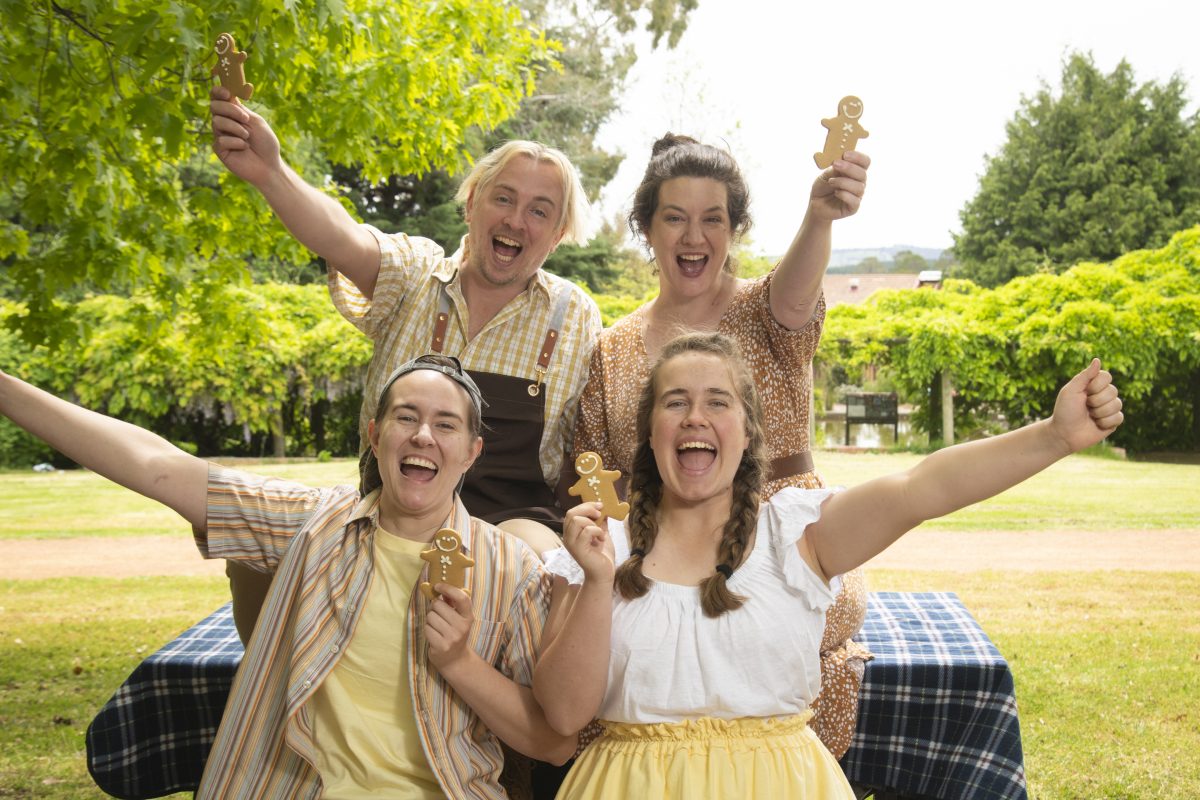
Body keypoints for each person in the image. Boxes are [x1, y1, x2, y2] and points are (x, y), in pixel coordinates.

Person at [536, 332, 1123, 798]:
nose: (696, 416)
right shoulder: (596, 548)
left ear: (746, 432)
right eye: (676, 402)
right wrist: (593, 581)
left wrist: (1054, 435)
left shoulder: (797, 535)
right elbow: (563, 714)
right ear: (650, 431)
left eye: (718, 402)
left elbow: (922, 487)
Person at [0, 356, 576, 799]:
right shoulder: (312, 525)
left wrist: (461, 665)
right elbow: (157, 467)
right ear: (375, 437)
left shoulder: (512, 569)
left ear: (471, 452)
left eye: (445, 424)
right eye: (407, 416)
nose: (424, 435)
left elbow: (554, 742)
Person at [209, 86, 602, 644]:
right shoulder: (415, 275)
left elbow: (591, 441)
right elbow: (342, 236)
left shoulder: (576, 315)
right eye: (503, 198)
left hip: (506, 522)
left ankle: (522, 724)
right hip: (383, 510)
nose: (517, 220)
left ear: (559, 234)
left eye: (541, 210)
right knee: (254, 546)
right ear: (471, 204)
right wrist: (272, 172)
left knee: (549, 570)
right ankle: (272, 688)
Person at [572, 133, 871, 754]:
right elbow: (599, 477)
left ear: (733, 230)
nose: (692, 237)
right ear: (647, 229)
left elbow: (796, 293)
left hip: (790, 548)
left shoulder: (767, 310)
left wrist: (819, 216)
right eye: (674, 218)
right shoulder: (613, 347)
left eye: (713, 219)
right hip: (665, 544)